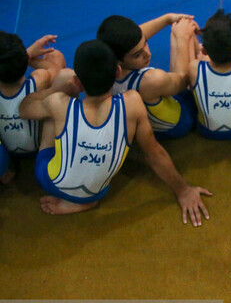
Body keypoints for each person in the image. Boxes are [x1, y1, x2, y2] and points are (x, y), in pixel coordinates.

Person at [19, 39, 211, 226]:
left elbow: (25, 108)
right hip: (96, 192)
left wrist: (64, 88)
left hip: (50, 182)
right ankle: (86, 200)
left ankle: (77, 199)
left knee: (54, 106)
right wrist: (183, 190)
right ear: (118, 71)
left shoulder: (58, 103)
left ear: (78, 80)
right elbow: (154, 153)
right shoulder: (132, 103)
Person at [97, 13, 199, 139]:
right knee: (181, 35)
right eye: (137, 55)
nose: (147, 54)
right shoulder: (151, 79)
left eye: (145, 43)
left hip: (148, 123)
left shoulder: (100, 63)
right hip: (179, 124)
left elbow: (136, 37)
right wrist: (183, 37)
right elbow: (183, 80)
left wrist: (167, 19)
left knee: (177, 28)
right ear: (118, 61)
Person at [0, 32, 66, 183]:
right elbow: (55, 70)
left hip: (8, 153)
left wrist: (26, 53)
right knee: (55, 56)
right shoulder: (39, 80)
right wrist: (27, 57)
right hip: (37, 148)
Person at [189, 9, 231, 140]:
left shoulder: (194, 68)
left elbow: (198, 57)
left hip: (206, 131)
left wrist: (190, 37)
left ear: (204, 50)